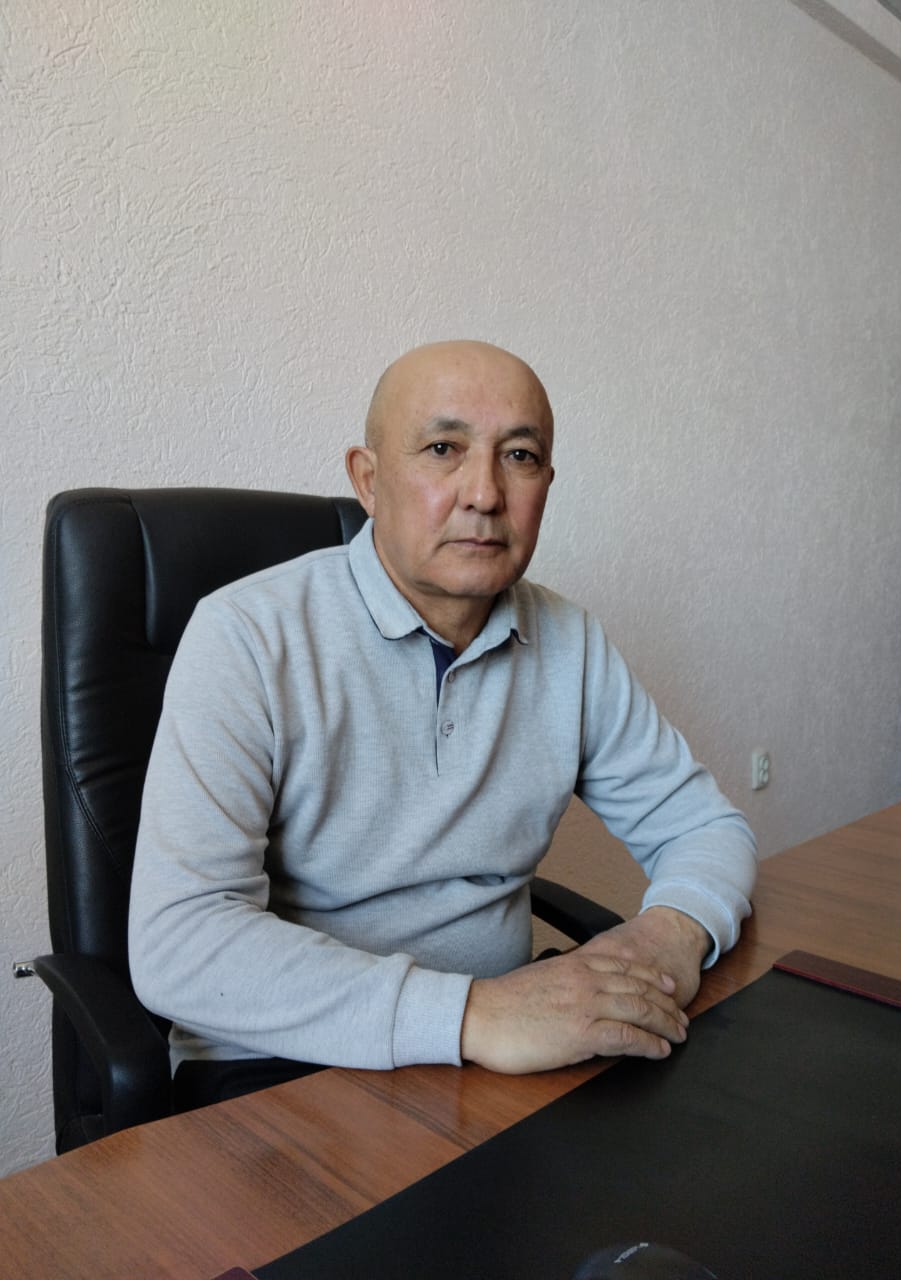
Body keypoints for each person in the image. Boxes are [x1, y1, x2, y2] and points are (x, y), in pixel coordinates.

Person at [128, 339, 757, 1108]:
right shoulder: (246, 636)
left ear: (545, 484)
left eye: (519, 456)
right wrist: (470, 1015)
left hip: (504, 1054)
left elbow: (704, 826)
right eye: (442, 449)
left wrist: (668, 933)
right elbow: (180, 944)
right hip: (284, 1064)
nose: (485, 494)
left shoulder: (569, 641)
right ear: (368, 479)